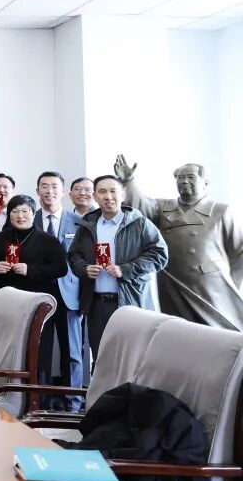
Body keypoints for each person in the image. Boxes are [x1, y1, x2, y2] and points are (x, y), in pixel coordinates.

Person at [116, 156, 243, 331]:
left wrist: (230, 284)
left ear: (205, 182)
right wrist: (129, 181)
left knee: (220, 332)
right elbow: (140, 206)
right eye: (180, 177)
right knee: (180, 331)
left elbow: (239, 251)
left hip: (210, 284)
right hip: (173, 281)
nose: (184, 181)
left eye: (191, 177)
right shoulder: (163, 207)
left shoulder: (220, 211)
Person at [68, 175, 168, 361]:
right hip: (97, 304)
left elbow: (159, 256)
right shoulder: (87, 225)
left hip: (130, 302)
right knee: (101, 357)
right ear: (95, 196)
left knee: (132, 357)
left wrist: (126, 269)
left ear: (123, 194)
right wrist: (84, 269)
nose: (108, 196)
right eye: (102, 192)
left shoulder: (139, 223)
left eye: (113, 191)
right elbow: (74, 255)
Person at [32, 172, 85, 410]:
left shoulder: (79, 222)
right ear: (37, 191)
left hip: (69, 295)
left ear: (64, 192)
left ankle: (72, 404)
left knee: (72, 352)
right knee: (39, 352)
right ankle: (39, 403)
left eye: (54, 187)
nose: (49, 191)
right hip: (38, 295)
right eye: (44, 186)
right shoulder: (29, 218)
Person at [0, 195, 68, 293]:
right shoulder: (2, 237)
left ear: (34, 214)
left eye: (25, 211)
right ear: (9, 215)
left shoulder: (48, 240)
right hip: (5, 293)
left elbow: (61, 269)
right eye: (15, 211)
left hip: (35, 294)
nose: (20, 215)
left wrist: (30, 270)